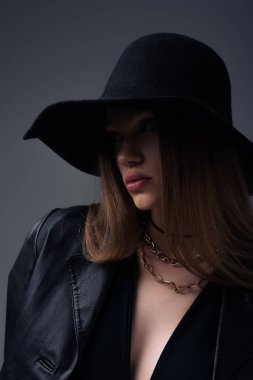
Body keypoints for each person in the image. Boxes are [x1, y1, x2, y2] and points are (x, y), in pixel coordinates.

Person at [1, 33, 253, 380]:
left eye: (146, 127)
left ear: (200, 140)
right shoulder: (53, 244)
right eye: (116, 137)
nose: (125, 155)